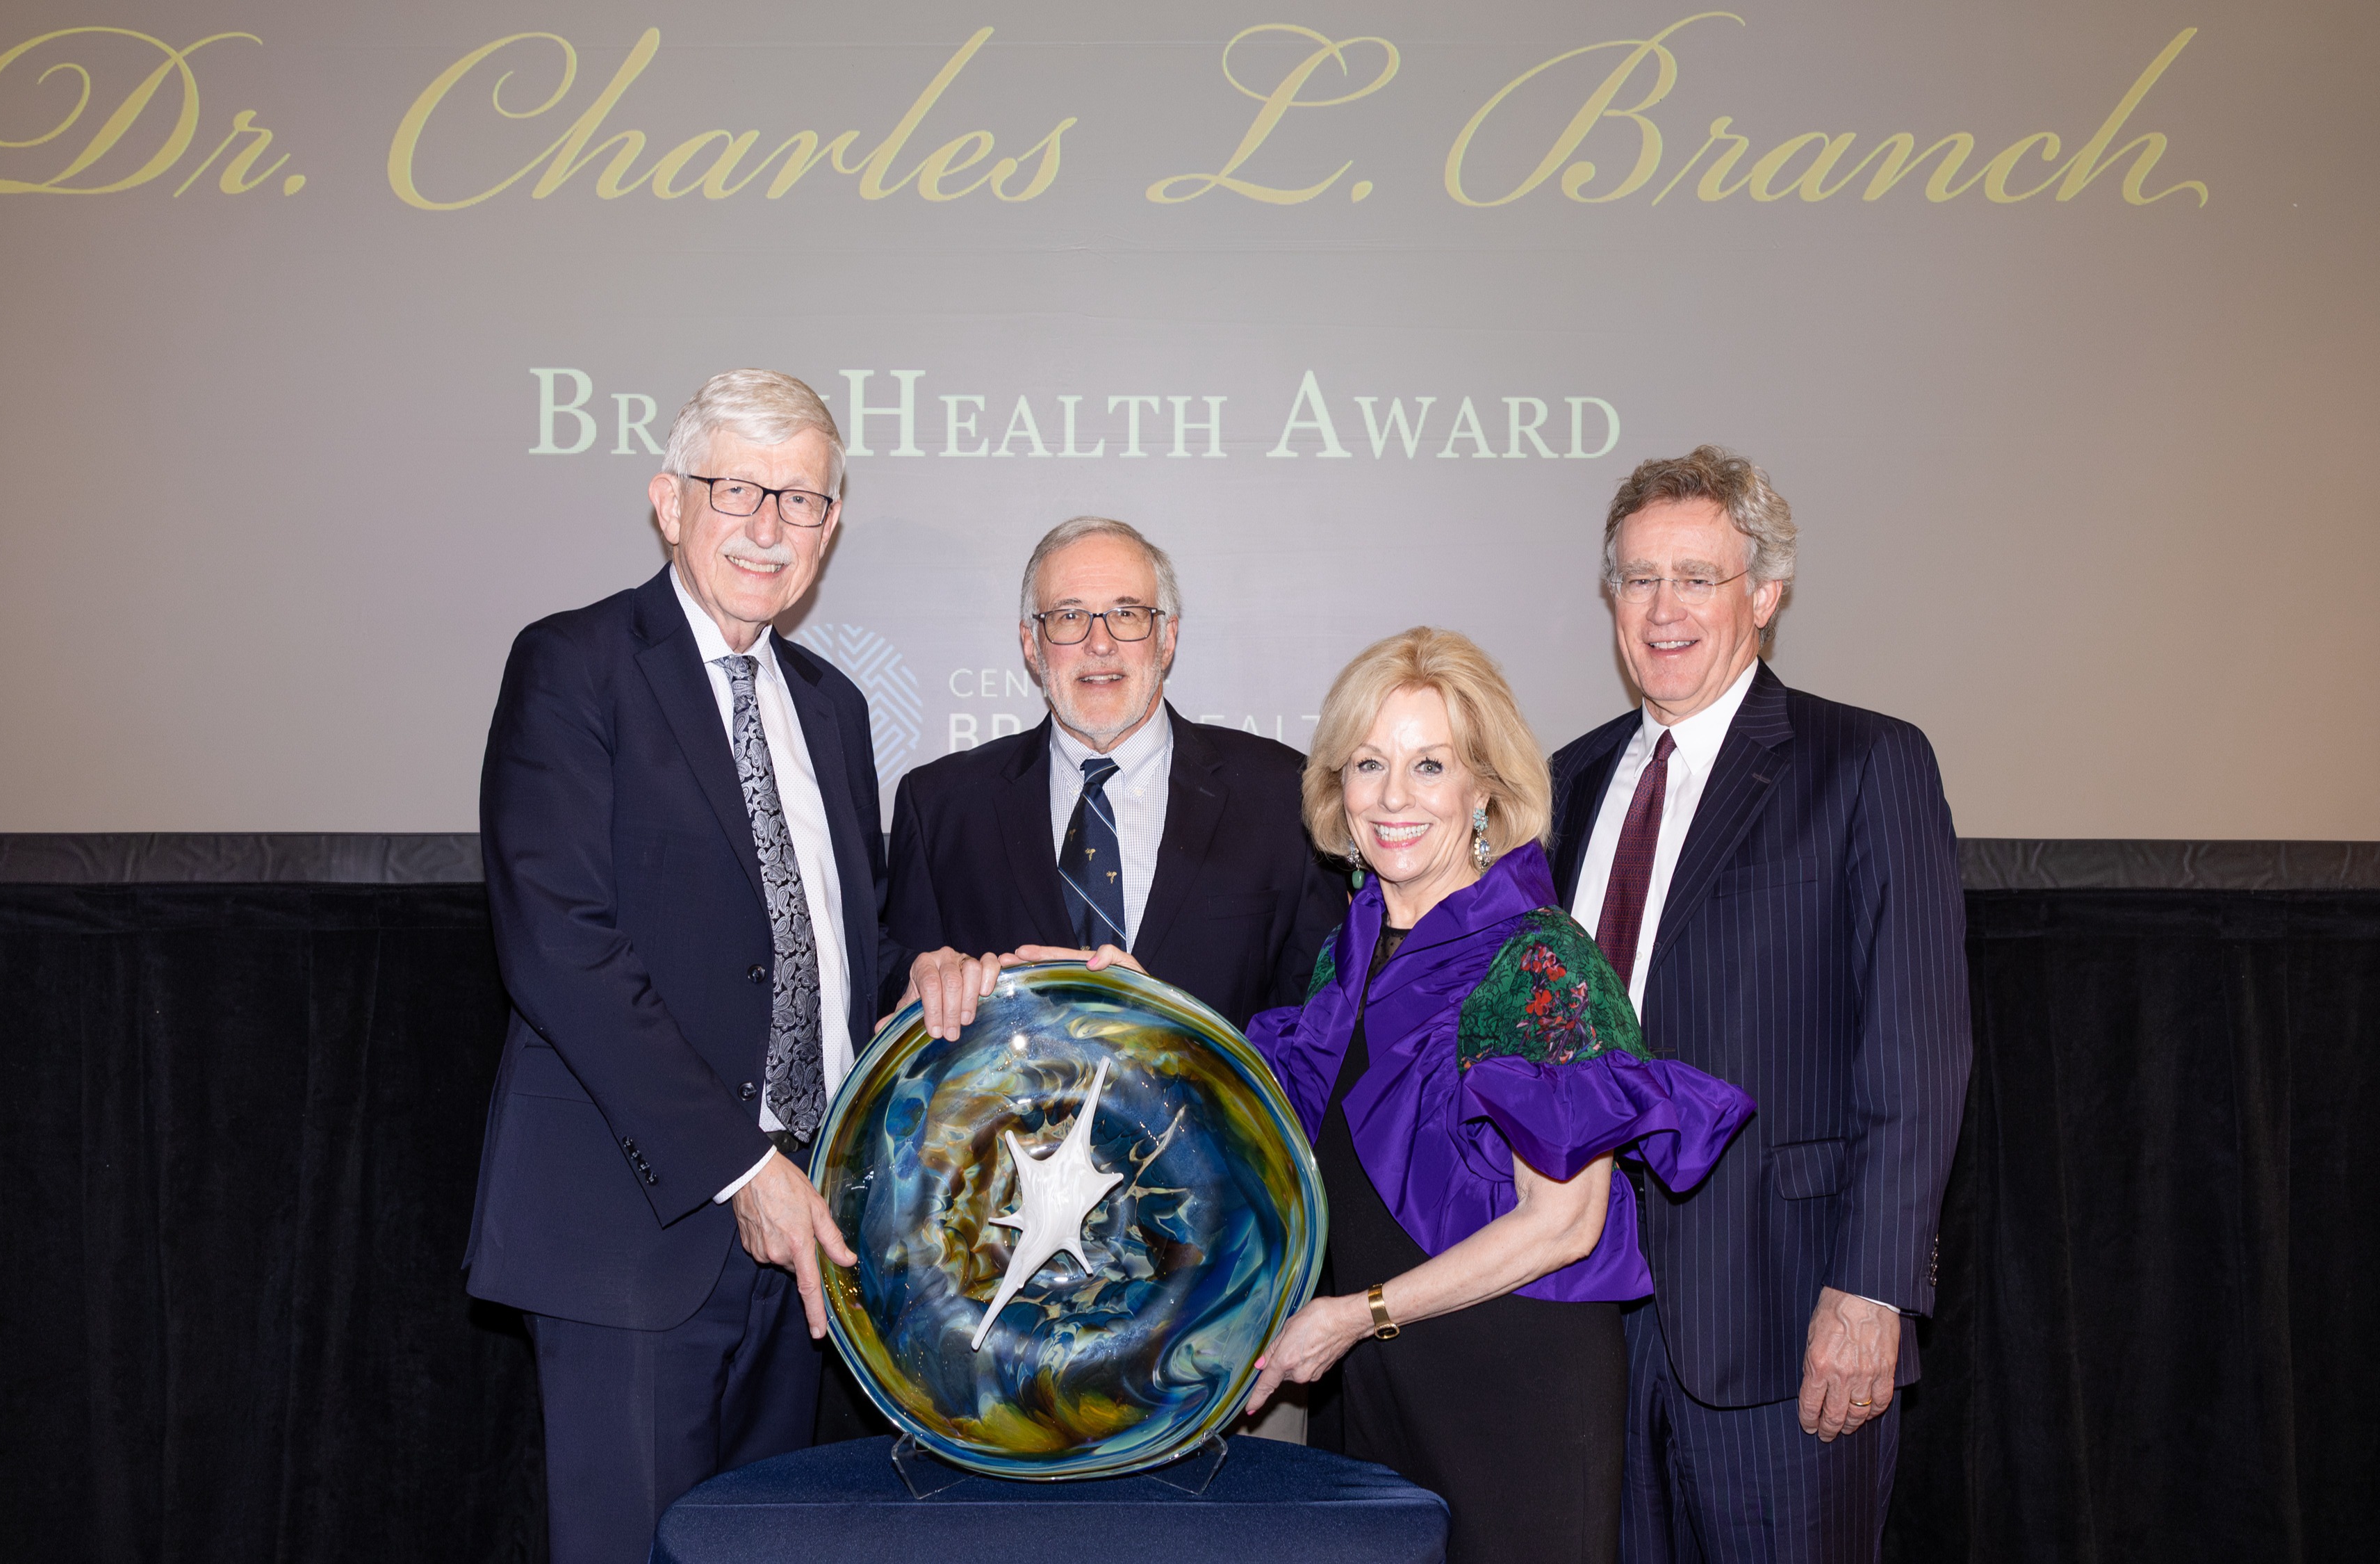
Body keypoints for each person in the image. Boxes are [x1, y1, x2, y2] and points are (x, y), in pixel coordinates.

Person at [1085, 627, 1754, 1564]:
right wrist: (1141, 1006)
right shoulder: (1348, 951)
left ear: (1484, 788)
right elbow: (1269, 1121)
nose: (1393, 798)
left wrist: (1357, 1314)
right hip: (1380, 1381)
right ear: (1336, 788)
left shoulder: (1538, 958)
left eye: (1429, 764)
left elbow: (1562, 1224)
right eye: (1369, 763)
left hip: (1514, 1388)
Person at [462, 368, 903, 1564]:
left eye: (803, 500)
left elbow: (843, 948)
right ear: (669, 502)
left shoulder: (836, 710)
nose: (771, 526)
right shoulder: (574, 666)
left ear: (831, 528)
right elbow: (560, 947)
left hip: (808, 1245)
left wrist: (936, 980)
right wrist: (741, 1164)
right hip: (639, 1233)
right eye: (739, 490)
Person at [1544, 447, 1970, 1563]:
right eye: (1639, 579)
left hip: (1783, 1319)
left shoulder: (1865, 762)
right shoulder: (1570, 780)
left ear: (1766, 595)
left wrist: (1872, 1291)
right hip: (1586, 1320)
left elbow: (1917, 1055)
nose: (1663, 608)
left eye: (1697, 577)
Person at [886, 516, 1348, 1032]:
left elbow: (1320, 1039)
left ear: (1168, 638)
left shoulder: (1283, 795)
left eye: (1127, 614)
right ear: (1031, 646)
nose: (1099, 643)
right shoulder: (940, 809)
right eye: (1069, 616)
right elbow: (907, 1032)